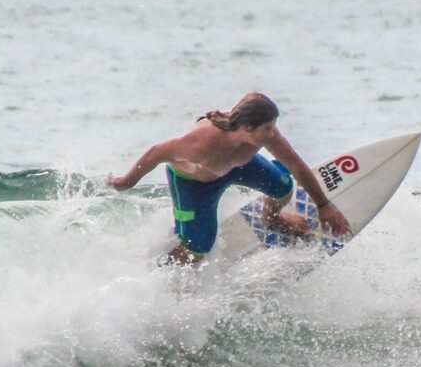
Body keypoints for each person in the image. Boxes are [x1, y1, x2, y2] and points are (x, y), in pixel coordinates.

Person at [106, 93, 351, 265]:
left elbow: (296, 165)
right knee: (198, 247)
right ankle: (166, 276)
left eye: (273, 126)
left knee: (283, 185)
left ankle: (271, 217)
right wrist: (126, 182)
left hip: (238, 166)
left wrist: (323, 205)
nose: (272, 133)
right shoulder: (201, 144)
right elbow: (155, 153)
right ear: (246, 127)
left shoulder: (263, 135)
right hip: (195, 185)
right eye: (267, 128)